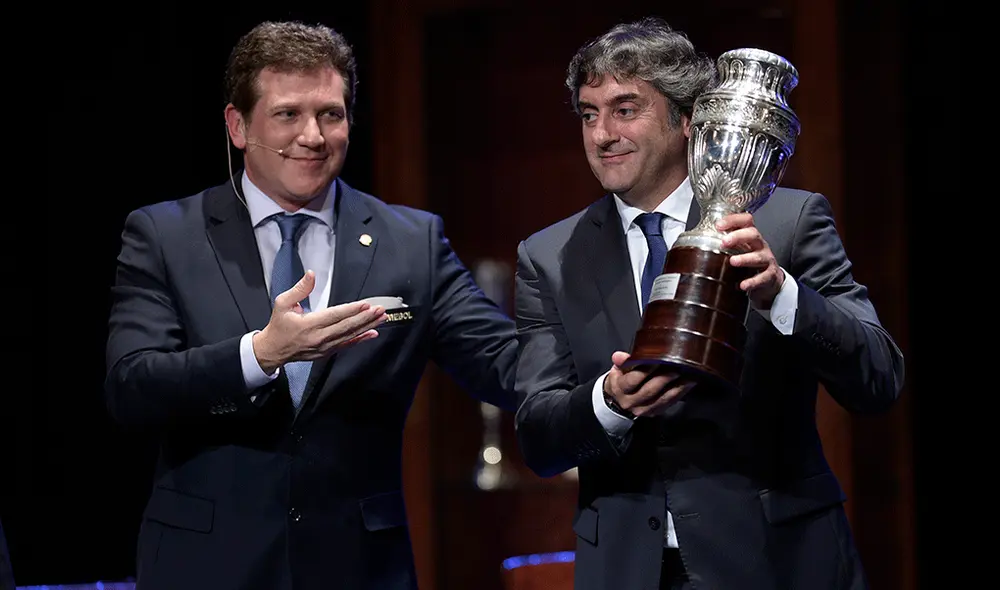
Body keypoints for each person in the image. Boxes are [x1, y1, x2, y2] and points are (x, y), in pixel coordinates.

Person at [105, 21, 517, 590]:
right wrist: (259, 355)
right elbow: (132, 386)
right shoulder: (166, 235)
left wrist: (612, 372)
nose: (313, 136)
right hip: (207, 566)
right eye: (288, 114)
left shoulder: (410, 242)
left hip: (358, 569)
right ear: (238, 126)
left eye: (330, 114)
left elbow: (505, 365)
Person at [513, 17, 904, 590]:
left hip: (776, 563)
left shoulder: (785, 222)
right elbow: (538, 437)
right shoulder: (549, 255)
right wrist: (609, 401)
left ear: (687, 120)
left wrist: (781, 294)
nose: (602, 135)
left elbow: (878, 377)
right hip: (628, 571)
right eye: (589, 114)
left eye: (625, 109)